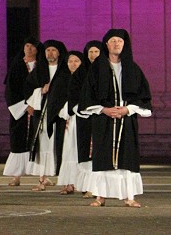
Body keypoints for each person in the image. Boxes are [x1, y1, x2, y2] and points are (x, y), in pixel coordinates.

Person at [79, 29, 152, 208]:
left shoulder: (133, 69)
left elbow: (143, 97)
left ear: (124, 44)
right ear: (106, 45)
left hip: (126, 120)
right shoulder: (97, 69)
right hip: (104, 120)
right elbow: (87, 96)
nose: (116, 44)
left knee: (127, 157)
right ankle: (100, 196)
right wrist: (104, 110)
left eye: (119, 41)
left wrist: (127, 109)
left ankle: (129, 196)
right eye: (112, 41)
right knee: (102, 156)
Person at [25, 39, 70, 191]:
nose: (50, 53)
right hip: (42, 114)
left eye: (53, 50)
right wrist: (41, 91)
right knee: (43, 144)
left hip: (59, 115)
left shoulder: (64, 71)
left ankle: (67, 180)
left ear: (59, 53)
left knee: (61, 144)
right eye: (48, 50)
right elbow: (28, 88)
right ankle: (42, 178)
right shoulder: (39, 70)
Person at [3, 37, 41, 186]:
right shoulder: (17, 65)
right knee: (18, 139)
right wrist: (26, 106)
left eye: (32, 46)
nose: (29, 49)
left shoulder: (41, 66)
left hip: (38, 109)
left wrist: (35, 104)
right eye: (27, 46)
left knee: (39, 142)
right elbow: (11, 90)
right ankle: (16, 176)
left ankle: (42, 176)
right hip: (20, 110)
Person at [75, 40, 102, 198]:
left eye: (96, 52)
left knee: (100, 151)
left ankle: (99, 187)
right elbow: (73, 94)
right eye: (90, 52)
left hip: (102, 116)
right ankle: (87, 186)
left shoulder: (105, 70)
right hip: (84, 117)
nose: (93, 55)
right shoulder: (81, 72)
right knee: (85, 150)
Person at [56, 50, 86, 195]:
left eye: (76, 61)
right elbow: (56, 100)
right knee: (68, 151)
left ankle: (84, 184)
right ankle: (69, 183)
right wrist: (66, 110)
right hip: (69, 120)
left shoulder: (86, 78)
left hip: (83, 118)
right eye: (70, 61)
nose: (73, 64)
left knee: (82, 151)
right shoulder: (62, 79)